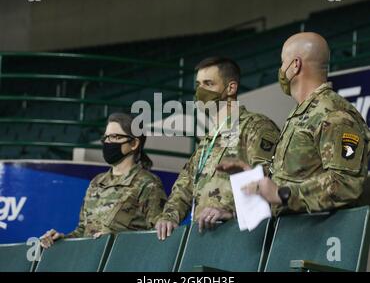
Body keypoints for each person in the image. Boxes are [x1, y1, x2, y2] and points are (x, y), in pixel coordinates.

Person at [217, 32, 370, 216]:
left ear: (295, 65)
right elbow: (294, 179)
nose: (281, 70)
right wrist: (253, 178)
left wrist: (283, 194)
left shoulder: (334, 115)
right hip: (294, 235)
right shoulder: (300, 114)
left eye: (283, 63)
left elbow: (345, 183)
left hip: (322, 239)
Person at [155, 57, 280, 240]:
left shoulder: (256, 127)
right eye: (198, 84)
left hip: (241, 235)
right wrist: (168, 217)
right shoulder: (207, 140)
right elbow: (184, 186)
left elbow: (266, 183)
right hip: (204, 237)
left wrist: (230, 212)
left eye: (208, 84)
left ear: (231, 88)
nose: (200, 91)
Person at [40, 112, 167, 248]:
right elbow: (83, 231)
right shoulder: (97, 182)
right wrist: (61, 239)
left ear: (134, 143)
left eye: (114, 137)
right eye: (106, 137)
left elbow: (156, 237)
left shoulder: (148, 183)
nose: (107, 142)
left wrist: (115, 239)